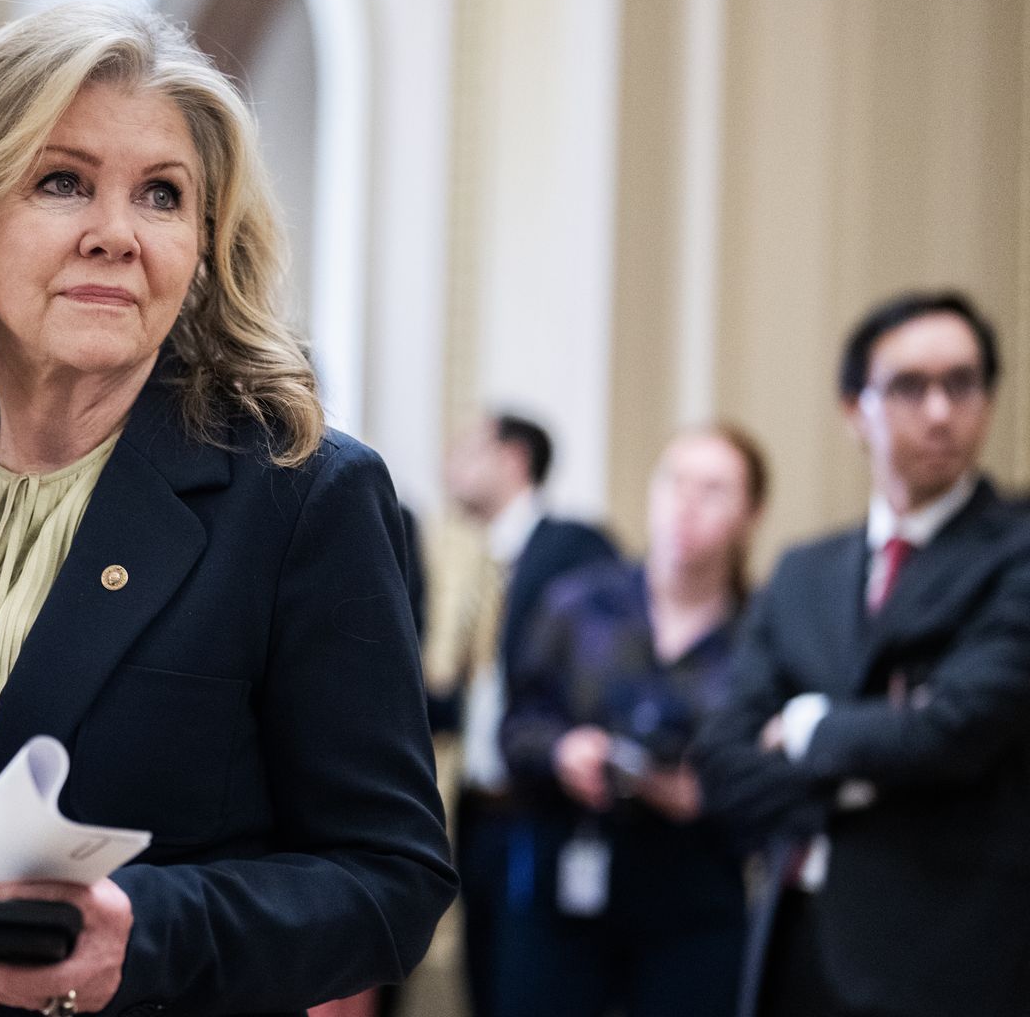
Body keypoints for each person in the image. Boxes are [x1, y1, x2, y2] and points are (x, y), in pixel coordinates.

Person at [0, 3, 456, 1017]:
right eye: (62, 183)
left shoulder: (298, 495)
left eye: (162, 195)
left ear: (201, 244)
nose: (116, 233)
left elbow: (391, 881)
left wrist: (142, 936)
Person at [695, 291, 1030, 1017]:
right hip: (793, 949)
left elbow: (956, 730)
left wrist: (811, 730)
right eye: (910, 386)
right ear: (855, 410)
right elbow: (723, 757)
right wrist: (881, 759)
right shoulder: (802, 572)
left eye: (963, 384)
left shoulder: (1016, 550)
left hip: (951, 953)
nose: (940, 411)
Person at [497, 425, 769, 1017]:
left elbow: (781, 778)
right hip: (567, 884)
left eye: (714, 489)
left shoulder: (764, 636)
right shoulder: (577, 603)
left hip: (695, 900)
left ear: (752, 513)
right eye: (675, 482)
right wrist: (564, 751)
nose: (687, 504)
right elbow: (515, 730)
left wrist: (706, 792)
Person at [424, 412, 617, 1017]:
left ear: (513, 459)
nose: (450, 463)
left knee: (533, 992)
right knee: (481, 986)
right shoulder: (475, 564)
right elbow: (470, 694)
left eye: (467, 448)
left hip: (542, 815)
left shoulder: (573, 547)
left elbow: (594, 678)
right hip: (479, 814)